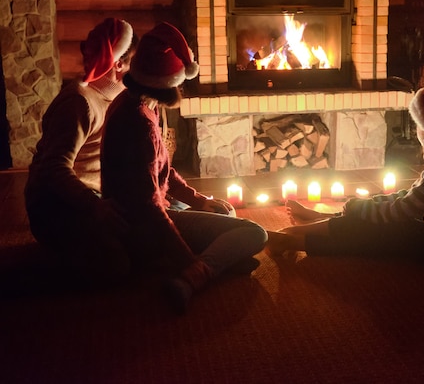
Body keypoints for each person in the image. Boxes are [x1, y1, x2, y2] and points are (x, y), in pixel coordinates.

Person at [100, 22, 267, 314]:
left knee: (223, 210)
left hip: (149, 211)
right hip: (142, 227)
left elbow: (162, 172)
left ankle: (215, 258)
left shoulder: (135, 104)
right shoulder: (139, 123)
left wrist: (200, 200)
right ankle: (194, 276)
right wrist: (188, 262)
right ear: (168, 82)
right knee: (254, 233)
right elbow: (149, 206)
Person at [266, 86, 424, 267]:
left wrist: (361, 209)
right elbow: (411, 197)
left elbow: (403, 210)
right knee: (370, 213)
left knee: (373, 234)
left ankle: (294, 239)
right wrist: (364, 205)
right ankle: (317, 221)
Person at [24, 18, 138, 286]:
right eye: (135, 59)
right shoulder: (79, 102)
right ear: (119, 63)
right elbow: (55, 168)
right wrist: (95, 206)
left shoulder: (118, 98)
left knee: (162, 222)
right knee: (118, 266)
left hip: (97, 198)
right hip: (57, 206)